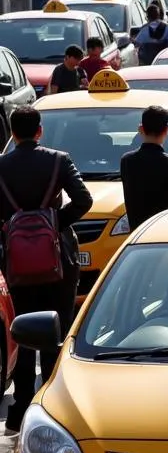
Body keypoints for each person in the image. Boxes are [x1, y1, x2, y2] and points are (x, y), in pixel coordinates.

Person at [0, 105, 92, 432]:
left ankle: (21, 407)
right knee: (59, 328)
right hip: (59, 258)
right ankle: (55, 404)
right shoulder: (58, 159)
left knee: (24, 330)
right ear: (40, 131)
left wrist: (13, 228)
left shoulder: (2, 166)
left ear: (13, 133)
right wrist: (54, 224)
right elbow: (84, 200)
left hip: (17, 262)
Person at [120, 106, 168, 230]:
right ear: (166, 130)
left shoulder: (126, 161)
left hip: (138, 235)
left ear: (141, 129)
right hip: (164, 234)